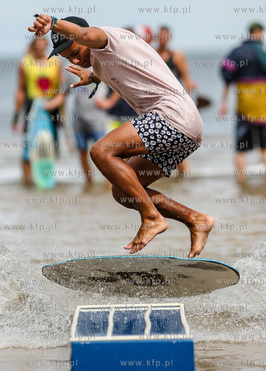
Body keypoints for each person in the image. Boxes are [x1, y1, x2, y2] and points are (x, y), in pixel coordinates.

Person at [28, 14, 214, 258]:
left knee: (100, 151)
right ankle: (195, 219)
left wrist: (53, 22)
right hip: (187, 129)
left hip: (173, 117)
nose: (75, 59)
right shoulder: (101, 61)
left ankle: (151, 218)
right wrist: (93, 77)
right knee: (124, 191)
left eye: (75, 51)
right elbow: (124, 66)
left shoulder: (108, 37)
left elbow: (86, 35)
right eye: (68, 58)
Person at [13, 37, 64, 184]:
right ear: (33, 45)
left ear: (46, 45)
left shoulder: (56, 62)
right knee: (29, 145)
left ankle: (47, 179)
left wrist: (56, 103)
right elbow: (20, 90)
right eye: (37, 44)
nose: (40, 47)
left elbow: (62, 89)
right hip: (32, 108)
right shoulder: (25, 62)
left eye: (43, 44)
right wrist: (16, 116)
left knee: (50, 145)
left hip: (51, 109)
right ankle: (27, 181)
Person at [220, 22, 266, 183]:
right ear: (259, 32)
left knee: (240, 147)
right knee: (264, 146)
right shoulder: (263, 52)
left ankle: (240, 180)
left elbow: (226, 72)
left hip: (245, 106)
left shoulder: (238, 52)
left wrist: (224, 102)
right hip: (263, 107)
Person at [156, 26, 198, 176]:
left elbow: (187, 81)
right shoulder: (152, 55)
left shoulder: (177, 57)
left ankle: (185, 176)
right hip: (157, 104)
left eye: (165, 36)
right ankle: (169, 175)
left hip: (175, 104)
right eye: (160, 36)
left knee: (174, 142)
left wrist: (189, 105)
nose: (162, 39)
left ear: (170, 38)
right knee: (161, 143)